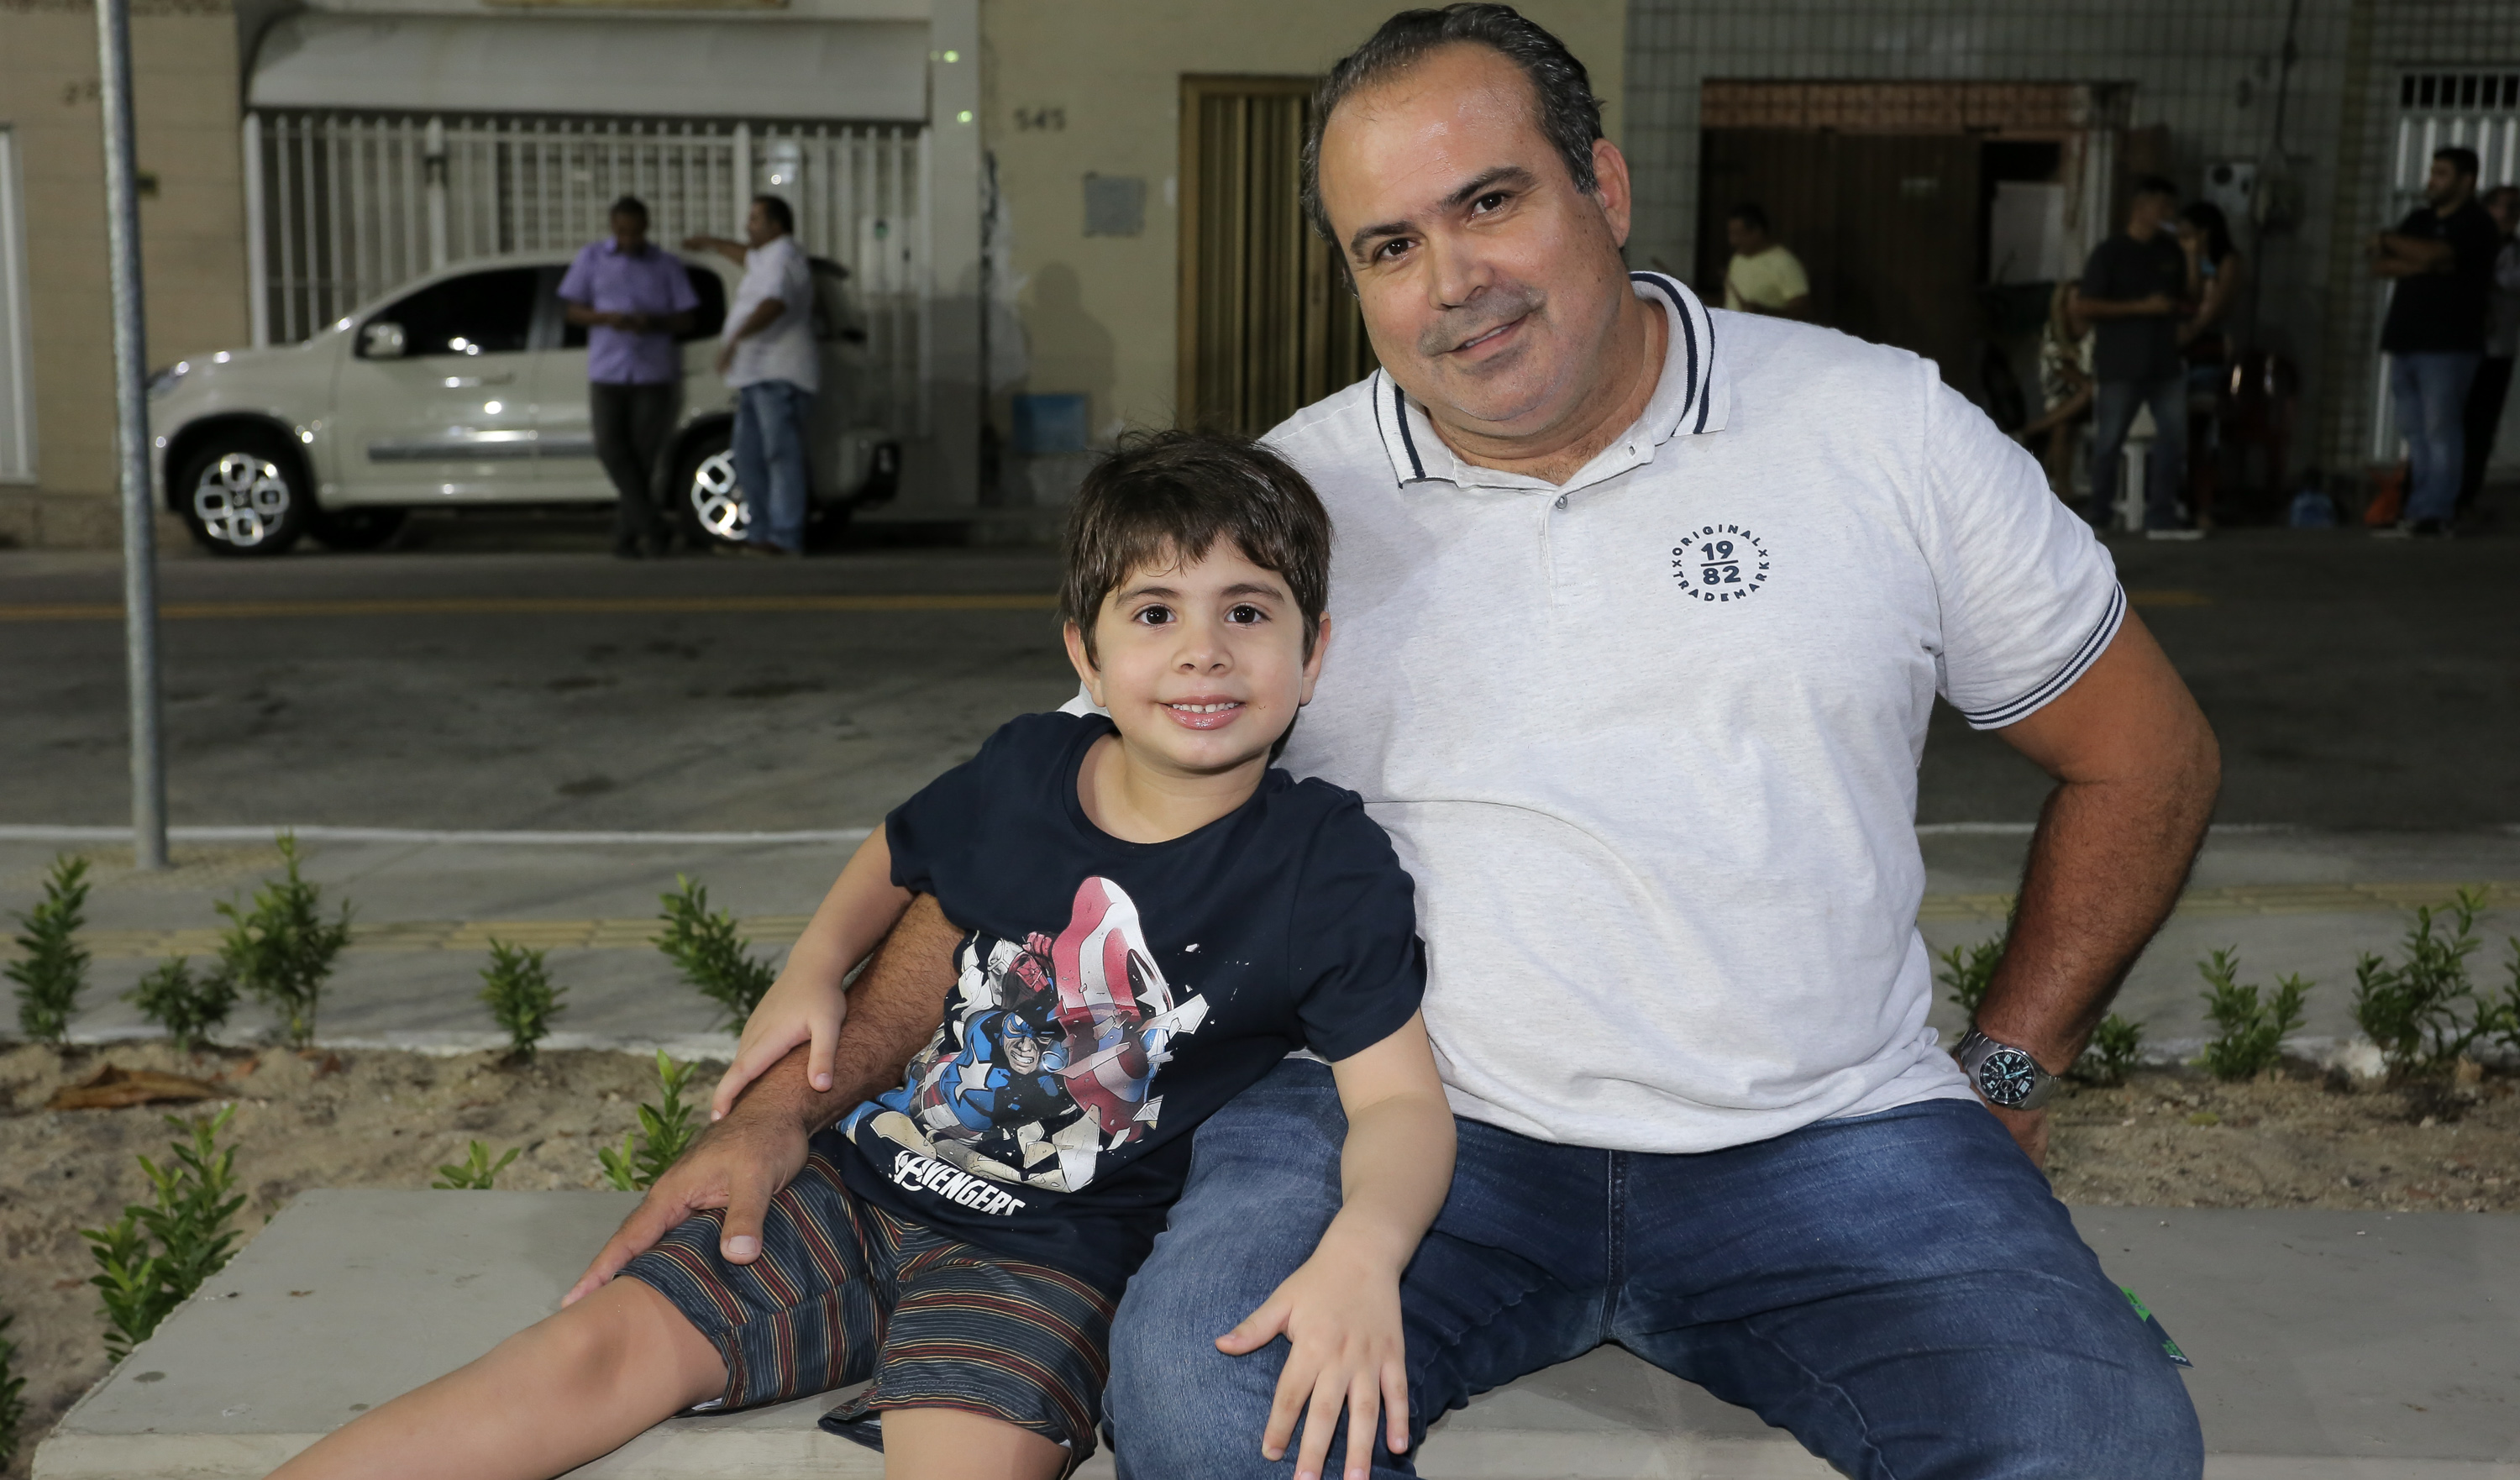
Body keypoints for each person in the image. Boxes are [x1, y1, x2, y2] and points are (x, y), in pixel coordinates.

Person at [266, 430, 1455, 1480]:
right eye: (1155, 612)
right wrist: (811, 969)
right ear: (1085, 656)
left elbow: (1400, 1102)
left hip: (1047, 1259)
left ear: (1314, 652)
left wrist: (1365, 1246)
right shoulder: (1028, 768)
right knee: (588, 1350)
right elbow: (897, 853)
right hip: (855, 1182)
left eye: (1247, 610)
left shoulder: (1324, 862)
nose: (1203, 651)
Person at [557, 196, 699, 559]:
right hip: (608, 370)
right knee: (610, 449)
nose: (629, 240)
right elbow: (572, 311)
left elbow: (687, 318)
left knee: (643, 458)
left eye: (635, 233)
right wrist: (607, 318)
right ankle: (654, 528)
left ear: (646, 228)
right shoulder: (592, 258)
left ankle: (626, 537)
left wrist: (651, 322)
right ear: (612, 227)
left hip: (653, 372)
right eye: (622, 232)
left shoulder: (666, 266)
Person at [2370, 145, 2500, 538]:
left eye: (2442, 174)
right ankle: (2420, 508)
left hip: (2450, 343)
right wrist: (2420, 259)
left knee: (2441, 429)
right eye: (2432, 172)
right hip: (2406, 338)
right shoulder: (2419, 218)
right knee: (2415, 430)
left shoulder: (2476, 223)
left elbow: (2433, 253)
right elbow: (2378, 262)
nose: (2432, 180)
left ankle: (2438, 511)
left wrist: (2401, 247)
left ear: (2467, 181)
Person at [686, 196, 817, 555]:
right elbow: (743, 254)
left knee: (779, 456)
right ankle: (760, 535)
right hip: (754, 377)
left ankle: (785, 536)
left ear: (777, 226)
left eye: (756, 220)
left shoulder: (786, 257)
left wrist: (736, 340)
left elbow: (774, 304)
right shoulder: (765, 258)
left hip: (779, 375)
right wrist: (710, 242)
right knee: (748, 457)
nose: (749, 226)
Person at [2079, 175, 2197, 536]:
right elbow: (2086, 304)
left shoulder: (2170, 250)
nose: (2168, 214)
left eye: (2171, 208)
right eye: (2162, 207)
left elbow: (2188, 298)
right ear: (2141, 208)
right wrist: (2140, 307)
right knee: (2109, 441)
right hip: (2121, 364)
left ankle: (2161, 515)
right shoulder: (2111, 252)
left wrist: (2192, 255)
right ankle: (2097, 517)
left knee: (2174, 438)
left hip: (2165, 364)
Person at [2174, 200, 2247, 526]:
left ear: (2205, 231)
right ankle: (2182, 502)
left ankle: (2202, 505)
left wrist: (2190, 332)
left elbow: (2215, 307)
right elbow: (2187, 295)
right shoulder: (2183, 258)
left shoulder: (2227, 261)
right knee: (2180, 433)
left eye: (2188, 230)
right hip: (2180, 355)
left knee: (2203, 430)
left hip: (2207, 352)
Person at [2458, 183, 2520, 515]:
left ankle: (2466, 492)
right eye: (2506, 207)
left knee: (2482, 425)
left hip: (2499, 351)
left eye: (2516, 209)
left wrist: (2490, 278)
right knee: (2454, 421)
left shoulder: (2512, 249)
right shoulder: (2471, 243)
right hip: (2462, 347)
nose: (2513, 215)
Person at [2016, 280, 2095, 499]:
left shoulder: (2096, 332)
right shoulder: (2053, 331)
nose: (2081, 305)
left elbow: (2091, 374)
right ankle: (2062, 490)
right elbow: (2055, 370)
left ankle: (2032, 429)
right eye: (2076, 299)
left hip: (2096, 399)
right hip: (2060, 397)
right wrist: (2079, 378)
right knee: (2062, 424)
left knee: (2087, 392)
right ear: (2064, 304)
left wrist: (2078, 377)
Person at [1719, 202, 1810, 319]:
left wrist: (1764, 312)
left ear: (1757, 232)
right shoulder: (1737, 259)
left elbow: (1801, 310)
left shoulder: (1785, 263)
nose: (1732, 241)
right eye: (1731, 234)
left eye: (1738, 234)